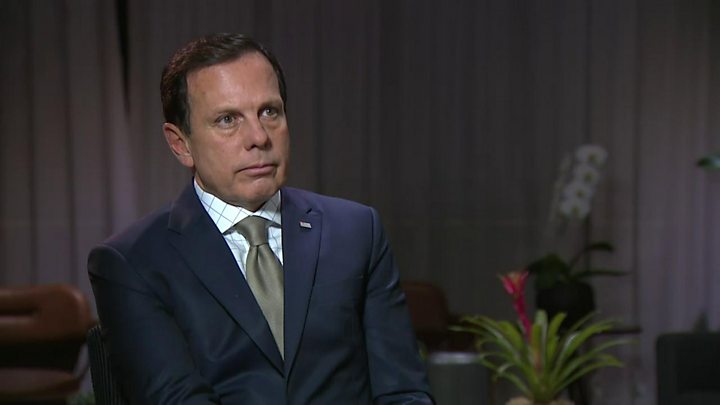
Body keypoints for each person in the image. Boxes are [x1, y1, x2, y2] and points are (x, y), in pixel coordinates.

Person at [88, 33, 433, 404]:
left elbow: (403, 391)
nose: (258, 137)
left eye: (270, 112)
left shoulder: (357, 231)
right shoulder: (132, 263)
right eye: (227, 119)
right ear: (180, 144)